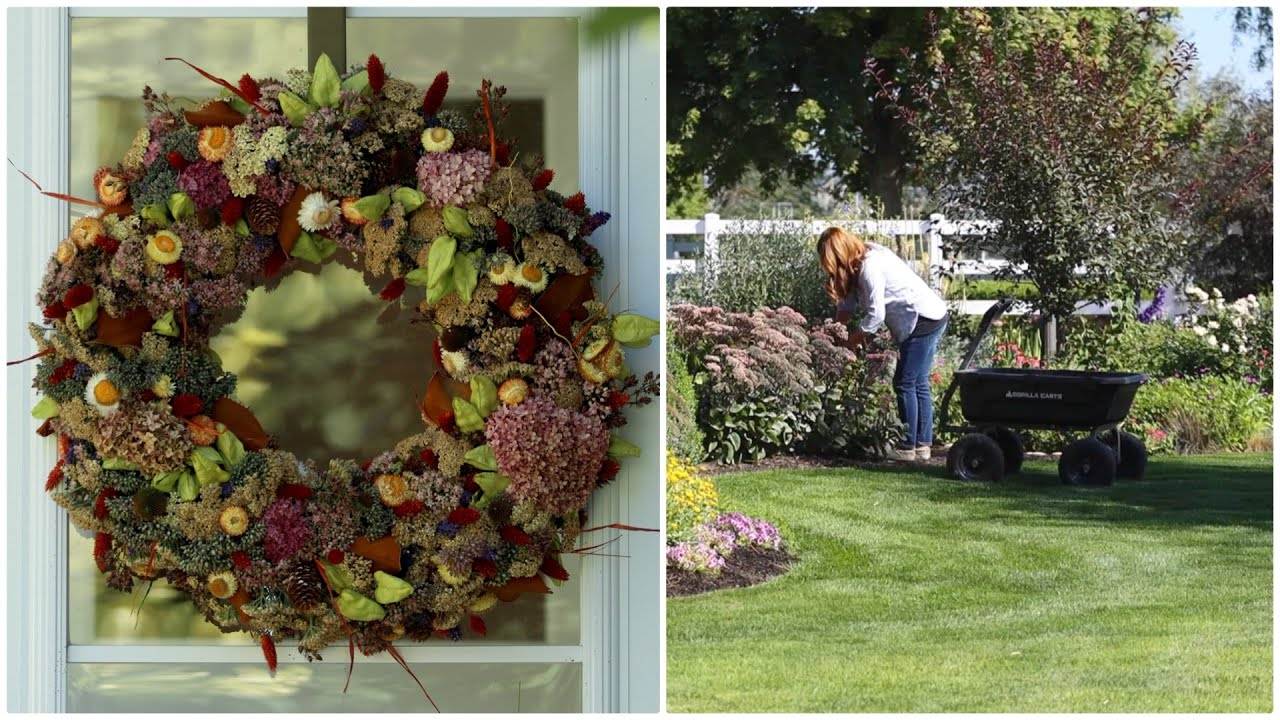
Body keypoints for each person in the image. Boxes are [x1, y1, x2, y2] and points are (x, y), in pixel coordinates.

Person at [818, 226, 948, 461]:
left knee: (905, 381)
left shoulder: (870, 267)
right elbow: (846, 305)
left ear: (840, 254)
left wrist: (850, 343)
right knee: (917, 382)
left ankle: (908, 447)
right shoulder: (857, 262)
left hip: (923, 318)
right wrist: (836, 332)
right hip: (925, 316)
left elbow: (876, 317)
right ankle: (922, 446)